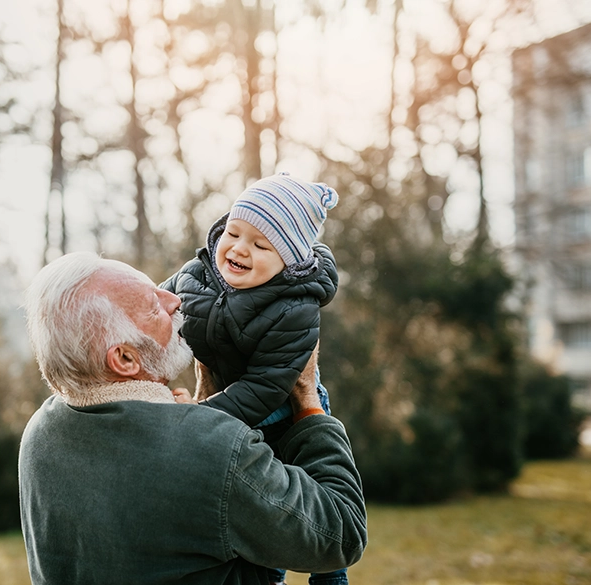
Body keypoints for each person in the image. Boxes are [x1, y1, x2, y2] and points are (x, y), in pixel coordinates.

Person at [19, 251, 367, 585]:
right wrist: (307, 401)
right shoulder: (213, 447)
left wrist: (202, 404)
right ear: (125, 359)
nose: (175, 301)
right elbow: (341, 533)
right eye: (154, 306)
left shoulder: (39, 435)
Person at [161, 173, 344, 585]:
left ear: (290, 261)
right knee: (247, 513)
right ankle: (265, 576)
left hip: (281, 410)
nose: (239, 249)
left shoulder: (295, 310)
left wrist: (201, 416)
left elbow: (264, 387)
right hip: (226, 401)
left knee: (298, 502)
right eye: (233, 232)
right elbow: (159, 304)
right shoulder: (197, 274)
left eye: (262, 245)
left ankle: (332, 575)